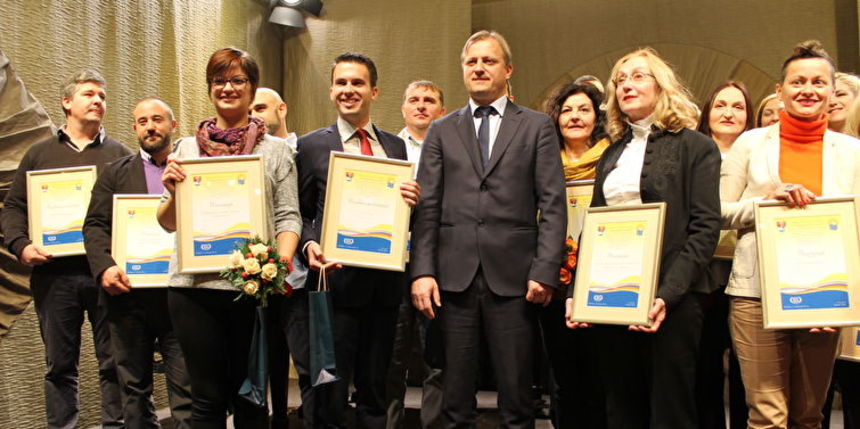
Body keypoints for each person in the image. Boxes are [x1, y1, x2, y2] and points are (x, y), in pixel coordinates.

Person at [410, 30, 567, 428]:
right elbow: (427, 207)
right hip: (453, 278)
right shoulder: (442, 129)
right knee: (455, 398)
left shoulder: (536, 126)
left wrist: (545, 269)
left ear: (508, 69)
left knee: (516, 397)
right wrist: (423, 272)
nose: (479, 68)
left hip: (516, 279)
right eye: (471, 62)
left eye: (489, 61)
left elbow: (552, 203)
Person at [566, 47, 721, 429]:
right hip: (614, 295)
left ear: (661, 85)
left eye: (638, 76)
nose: (626, 86)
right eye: (620, 80)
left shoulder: (696, 147)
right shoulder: (612, 153)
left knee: (670, 408)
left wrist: (666, 295)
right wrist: (576, 293)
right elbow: (595, 228)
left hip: (674, 299)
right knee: (621, 404)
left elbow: (705, 228)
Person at [157, 47, 302, 429]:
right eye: (220, 80)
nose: (228, 87)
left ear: (252, 89)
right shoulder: (186, 149)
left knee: (250, 397)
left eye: (238, 80)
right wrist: (172, 190)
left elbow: (289, 217)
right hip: (192, 287)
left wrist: (279, 266)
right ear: (209, 88)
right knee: (205, 400)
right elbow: (167, 222)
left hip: (252, 291)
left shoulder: (275, 151)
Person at [721, 40, 860, 429]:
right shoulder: (750, 143)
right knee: (767, 415)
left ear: (833, 91)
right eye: (798, 82)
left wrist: (840, 303)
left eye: (819, 82)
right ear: (780, 91)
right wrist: (765, 204)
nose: (808, 90)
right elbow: (717, 212)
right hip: (756, 294)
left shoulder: (851, 152)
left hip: (825, 296)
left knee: (809, 415)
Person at [295, 52, 420, 429]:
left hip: (384, 288)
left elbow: (400, 217)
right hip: (335, 286)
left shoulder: (395, 148)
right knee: (330, 393)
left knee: (376, 390)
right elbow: (300, 213)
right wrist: (309, 245)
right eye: (342, 83)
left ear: (375, 91)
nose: (349, 90)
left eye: (358, 83)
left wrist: (412, 202)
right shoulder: (311, 145)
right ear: (332, 90)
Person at [0, 69, 129, 428]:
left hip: (106, 275)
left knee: (113, 363)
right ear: (67, 102)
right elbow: (13, 208)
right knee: (60, 366)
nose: (98, 101)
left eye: (102, 96)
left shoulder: (120, 155)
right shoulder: (39, 154)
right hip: (54, 278)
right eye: (89, 94)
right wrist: (21, 245)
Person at [83, 97, 193, 428]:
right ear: (134, 128)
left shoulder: (193, 171)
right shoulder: (114, 174)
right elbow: (95, 226)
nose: (150, 126)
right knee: (133, 390)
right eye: (142, 121)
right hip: (127, 299)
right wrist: (104, 267)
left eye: (157, 119)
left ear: (172, 126)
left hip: (180, 297)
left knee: (186, 391)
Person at [542, 81, 609, 428]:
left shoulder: (613, 158)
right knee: (564, 374)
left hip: (606, 279)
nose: (575, 117)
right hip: (556, 280)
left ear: (597, 116)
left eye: (584, 109)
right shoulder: (543, 161)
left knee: (601, 374)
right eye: (566, 110)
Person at [386, 80, 446, 429]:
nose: (421, 106)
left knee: (436, 355)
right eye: (414, 100)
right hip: (391, 261)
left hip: (437, 263)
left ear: (441, 109)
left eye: (429, 100)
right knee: (391, 357)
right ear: (403, 108)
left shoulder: (453, 147)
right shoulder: (386, 150)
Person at [694, 81, 754, 429]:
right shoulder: (694, 152)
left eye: (738, 106)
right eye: (720, 105)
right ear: (708, 112)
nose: (728, 113)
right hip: (704, 273)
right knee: (706, 364)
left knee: (748, 368)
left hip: (745, 270)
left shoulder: (759, 155)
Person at [249, 85, 308, 429]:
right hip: (252, 276)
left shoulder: (308, 150)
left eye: (262, 107)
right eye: (251, 109)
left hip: (300, 273)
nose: (255, 114)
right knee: (262, 359)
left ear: (281, 109)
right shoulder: (245, 155)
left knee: (305, 362)